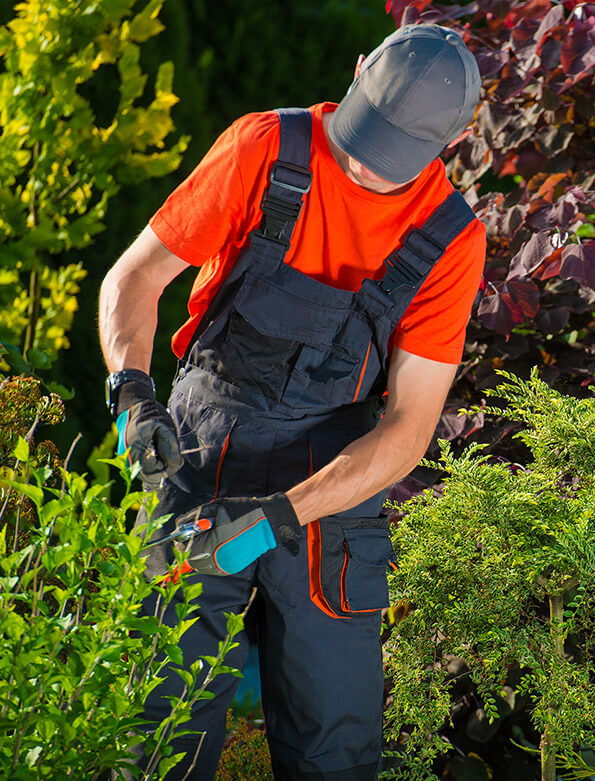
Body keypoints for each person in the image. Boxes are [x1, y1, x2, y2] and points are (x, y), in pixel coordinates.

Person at [99, 22, 486, 781]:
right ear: (354, 74)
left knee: (332, 750)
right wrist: (133, 397)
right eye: (361, 138)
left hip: (332, 491)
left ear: (457, 139)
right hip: (200, 455)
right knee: (153, 736)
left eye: (393, 158)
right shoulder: (265, 150)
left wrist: (277, 520)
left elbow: (407, 430)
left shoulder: (448, 239)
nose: (367, 170)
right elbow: (134, 279)